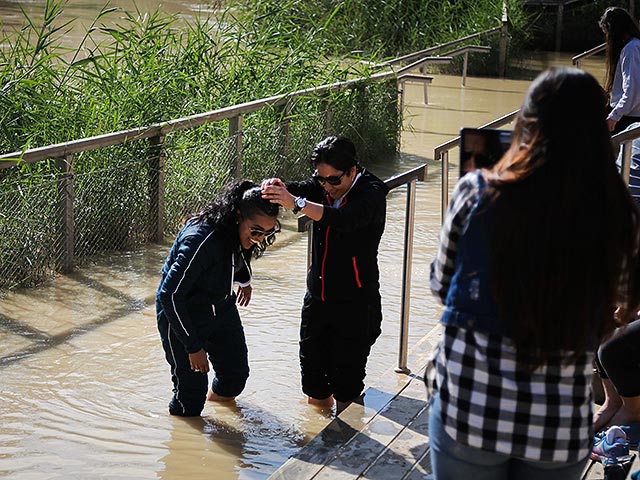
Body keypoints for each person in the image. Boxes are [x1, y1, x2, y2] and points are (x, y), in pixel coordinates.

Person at [427, 67, 640, 479]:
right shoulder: (615, 213)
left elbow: (442, 284)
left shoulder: (477, 192)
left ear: (526, 124)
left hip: (470, 405)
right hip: (555, 419)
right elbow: (617, 314)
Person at [261, 136, 389, 414]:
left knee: (347, 386)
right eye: (322, 180)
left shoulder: (372, 193)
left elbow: (342, 219)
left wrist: (297, 203)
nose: (328, 187)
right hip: (317, 299)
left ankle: (347, 448)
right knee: (314, 384)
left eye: (334, 180)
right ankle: (317, 433)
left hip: (355, 302)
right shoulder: (322, 186)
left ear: (353, 170)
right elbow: (301, 190)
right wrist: (277, 188)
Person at [156, 180, 280, 417]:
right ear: (237, 215)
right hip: (184, 315)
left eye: (268, 233)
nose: (260, 239)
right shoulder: (201, 240)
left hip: (221, 307)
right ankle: (185, 444)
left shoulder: (235, 230)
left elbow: (237, 253)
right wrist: (193, 346)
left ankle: (217, 414)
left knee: (235, 376)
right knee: (190, 397)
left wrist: (244, 279)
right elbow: (169, 295)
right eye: (255, 231)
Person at [599, 7, 640, 134]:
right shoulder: (633, 46)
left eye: (606, 32)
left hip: (628, 116)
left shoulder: (631, 49)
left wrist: (615, 116)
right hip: (628, 113)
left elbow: (633, 89)